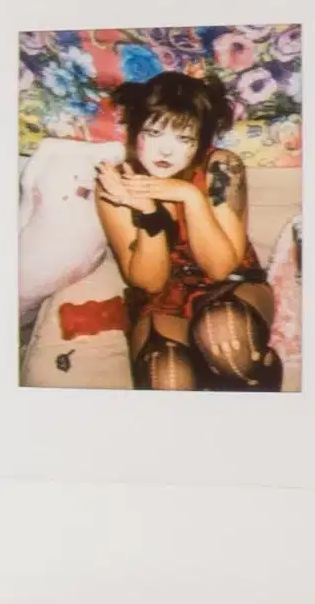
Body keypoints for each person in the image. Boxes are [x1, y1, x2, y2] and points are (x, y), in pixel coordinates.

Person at [88, 67, 278, 390]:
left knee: (225, 336)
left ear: (200, 141)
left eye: (183, 137)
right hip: (162, 299)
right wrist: (148, 212)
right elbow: (150, 282)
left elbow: (220, 268)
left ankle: (257, 381)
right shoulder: (116, 184)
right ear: (136, 132)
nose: (166, 151)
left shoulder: (222, 167)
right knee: (167, 377)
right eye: (155, 132)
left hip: (230, 286)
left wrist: (189, 196)